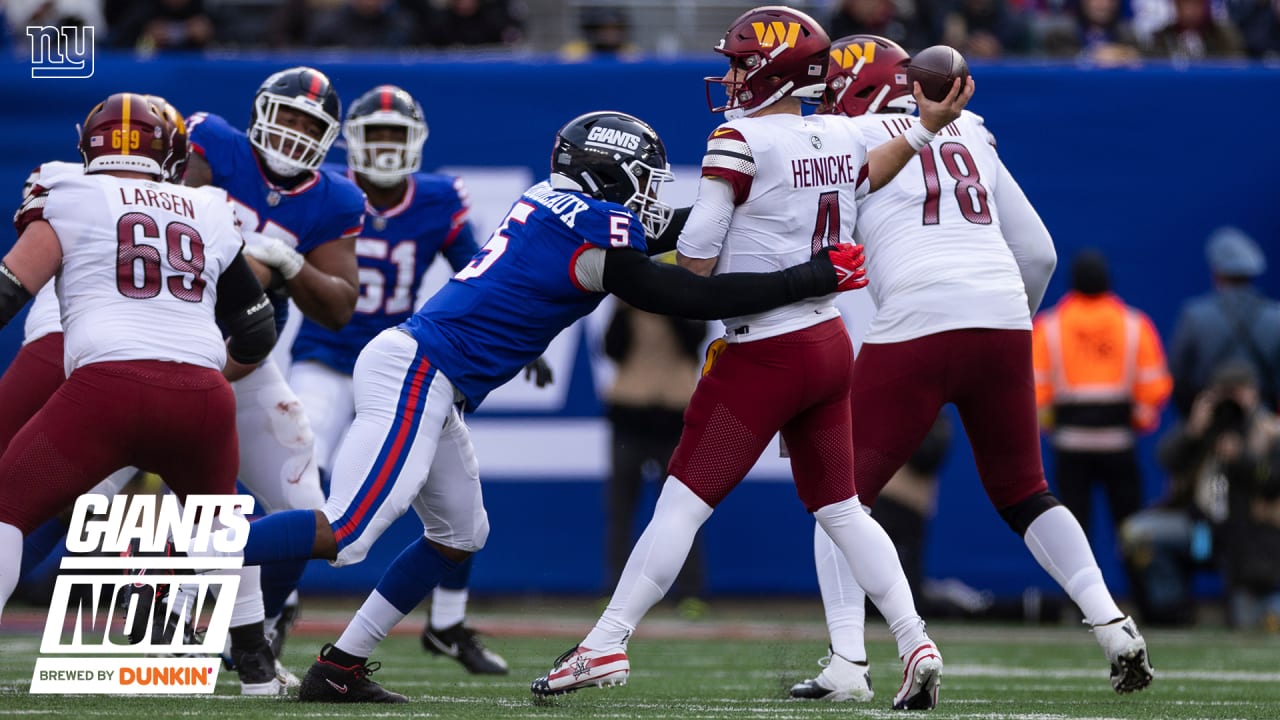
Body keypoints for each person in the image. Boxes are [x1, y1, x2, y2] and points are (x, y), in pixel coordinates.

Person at [226, 107, 870, 703]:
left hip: (431, 375)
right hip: (417, 371)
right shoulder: (594, 230)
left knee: (460, 534)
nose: (650, 194)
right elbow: (681, 294)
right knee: (347, 531)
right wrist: (812, 276)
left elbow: (654, 239)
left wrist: (732, 208)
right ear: (608, 174)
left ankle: (339, 668)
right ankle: (185, 554)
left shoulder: (558, 203)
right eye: (641, 179)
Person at [533, 10, 974, 711]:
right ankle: (915, 638)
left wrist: (641, 241)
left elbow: (699, 264)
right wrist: (923, 129)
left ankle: (606, 643)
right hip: (828, 343)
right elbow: (871, 170)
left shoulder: (738, 137)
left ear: (774, 70)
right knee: (845, 510)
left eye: (741, 63)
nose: (731, 74)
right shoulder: (832, 128)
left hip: (764, 351)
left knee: (680, 503)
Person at [785, 34, 1152, 703]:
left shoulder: (839, 141)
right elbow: (1037, 252)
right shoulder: (971, 127)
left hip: (916, 321)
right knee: (1025, 491)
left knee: (838, 500)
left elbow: (815, 266)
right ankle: (1111, 623)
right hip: (1003, 314)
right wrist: (1003, 322)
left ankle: (849, 663)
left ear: (852, 88)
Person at [0, 93, 276, 626]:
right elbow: (256, 328)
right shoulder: (207, 206)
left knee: (10, 504)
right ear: (169, 156)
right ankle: (257, 662)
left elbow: (9, 292)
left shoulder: (66, 187)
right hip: (197, 384)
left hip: (90, 368)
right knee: (220, 521)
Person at [291, 84, 509, 675]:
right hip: (327, 356)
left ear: (416, 141)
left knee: (454, 497)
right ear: (353, 141)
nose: (386, 146)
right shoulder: (326, 188)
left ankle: (447, 622)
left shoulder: (439, 196)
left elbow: (480, 272)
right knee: (295, 465)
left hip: (404, 366)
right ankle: (273, 601)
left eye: (396, 133)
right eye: (376, 133)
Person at [182, 65, 364, 683]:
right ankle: (179, 596)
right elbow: (169, 213)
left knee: (315, 513)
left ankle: (250, 632)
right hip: (169, 343)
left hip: (244, 357)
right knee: (82, 489)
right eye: (285, 115)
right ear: (260, 112)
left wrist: (289, 263)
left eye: (307, 123)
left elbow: (339, 306)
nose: (292, 131)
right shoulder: (215, 144)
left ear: (327, 135)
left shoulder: (334, 199)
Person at [4, 97, 191, 599]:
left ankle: (146, 569)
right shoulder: (191, 210)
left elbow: (17, 277)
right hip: (152, 361)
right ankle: (160, 578)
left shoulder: (61, 182)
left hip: (62, 343)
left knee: (22, 495)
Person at [1032, 250, 1172, 554]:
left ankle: (1079, 601)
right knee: (1133, 530)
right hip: (1120, 446)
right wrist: (1138, 421)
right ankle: (1146, 598)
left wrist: (1052, 426)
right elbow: (1156, 389)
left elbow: (1034, 391)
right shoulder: (1135, 325)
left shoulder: (1050, 327)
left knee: (1073, 534)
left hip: (1069, 447)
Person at [1123, 361, 1280, 627]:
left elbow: (1273, 480)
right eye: (1224, 391)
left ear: (1253, 392)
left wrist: (1242, 456)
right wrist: (1193, 431)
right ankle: (1172, 609)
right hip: (1201, 527)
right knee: (1138, 533)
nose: (1231, 399)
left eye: (1238, 391)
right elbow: (1165, 458)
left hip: (1250, 538)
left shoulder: (1268, 430)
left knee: (1253, 623)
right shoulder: (1206, 425)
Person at [602, 303, 707, 611]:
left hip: (674, 413)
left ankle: (689, 591)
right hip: (630, 411)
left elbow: (693, 342)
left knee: (683, 508)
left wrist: (672, 302)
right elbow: (612, 348)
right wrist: (625, 308)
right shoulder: (626, 305)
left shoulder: (686, 303)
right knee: (621, 507)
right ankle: (615, 589)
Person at [1169, 227, 1280, 419]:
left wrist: (1192, 417)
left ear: (1216, 272)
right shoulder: (1276, 317)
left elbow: (1177, 375)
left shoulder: (1195, 316)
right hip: (1263, 424)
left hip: (1209, 421)